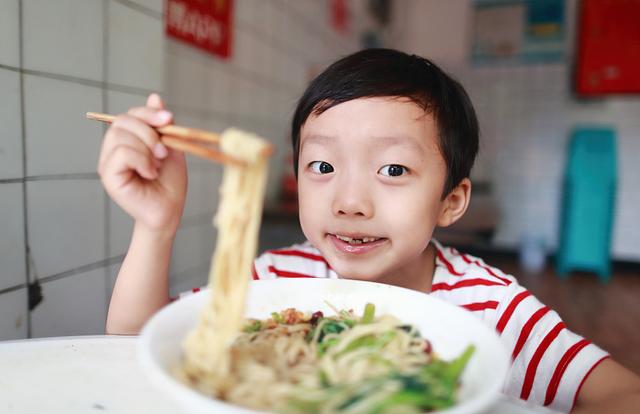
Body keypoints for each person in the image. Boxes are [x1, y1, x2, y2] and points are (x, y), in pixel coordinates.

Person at [99, 49, 640, 413]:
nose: (350, 203)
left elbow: (621, 395)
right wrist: (155, 226)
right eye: (324, 168)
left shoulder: (492, 309)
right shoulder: (275, 280)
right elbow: (134, 347)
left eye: (394, 171)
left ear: (451, 201)